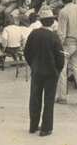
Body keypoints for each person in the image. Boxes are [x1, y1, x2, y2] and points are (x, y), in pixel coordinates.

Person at [24, 7, 65, 136]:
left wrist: (33, 65)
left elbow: (27, 53)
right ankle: (46, 128)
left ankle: (33, 125)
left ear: (41, 21)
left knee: (35, 97)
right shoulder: (54, 37)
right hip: (51, 72)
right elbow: (60, 57)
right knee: (49, 100)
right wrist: (58, 70)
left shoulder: (33, 34)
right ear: (52, 22)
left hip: (36, 70)